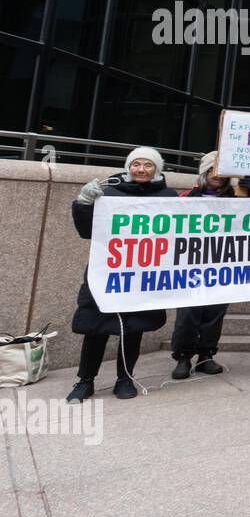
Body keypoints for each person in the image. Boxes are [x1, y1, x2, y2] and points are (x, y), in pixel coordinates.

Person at [66, 148, 179, 401]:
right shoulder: (107, 193)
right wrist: (84, 203)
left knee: (133, 328)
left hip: (142, 275)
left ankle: (125, 378)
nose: (141, 169)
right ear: (128, 167)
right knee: (96, 328)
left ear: (157, 169)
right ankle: (85, 381)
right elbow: (86, 231)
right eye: (136, 164)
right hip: (108, 272)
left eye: (148, 165)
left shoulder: (169, 196)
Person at [169, 152, 250, 381]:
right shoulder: (187, 197)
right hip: (192, 264)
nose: (218, 175)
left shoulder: (237, 197)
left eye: (223, 171)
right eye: (213, 170)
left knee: (214, 312)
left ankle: (206, 354)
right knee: (188, 312)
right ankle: (183, 356)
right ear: (204, 172)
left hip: (222, 263)